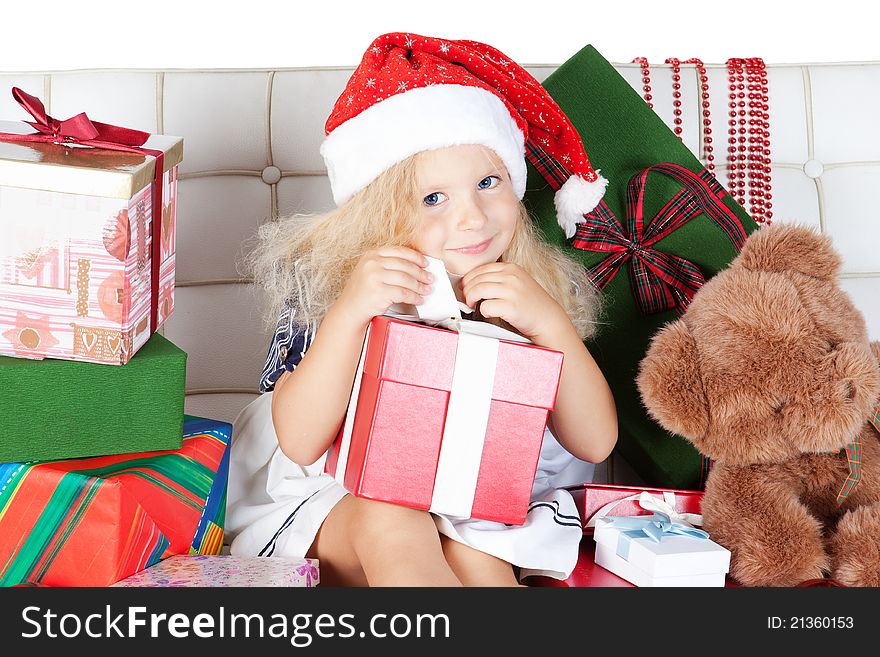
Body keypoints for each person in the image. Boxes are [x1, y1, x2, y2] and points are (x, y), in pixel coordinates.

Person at [227, 32, 617, 586]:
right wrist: (353, 311)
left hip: (474, 509)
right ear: (381, 214)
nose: (472, 218)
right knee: (395, 518)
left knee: (478, 556)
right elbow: (300, 438)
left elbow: (596, 442)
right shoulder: (348, 289)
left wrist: (551, 324)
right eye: (433, 198)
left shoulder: (528, 291)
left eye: (489, 183)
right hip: (346, 505)